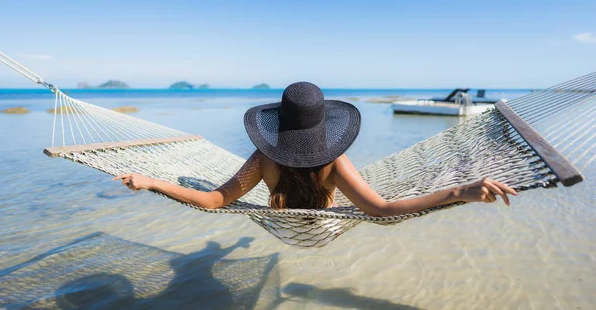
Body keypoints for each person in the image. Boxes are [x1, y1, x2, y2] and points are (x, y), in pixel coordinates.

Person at [114, 82, 517, 217]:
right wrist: (458, 191)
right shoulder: (335, 163)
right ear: (324, 125)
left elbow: (214, 199)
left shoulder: (264, 160)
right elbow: (382, 209)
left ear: (280, 124)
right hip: (323, 225)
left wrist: (152, 181)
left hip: (282, 221)